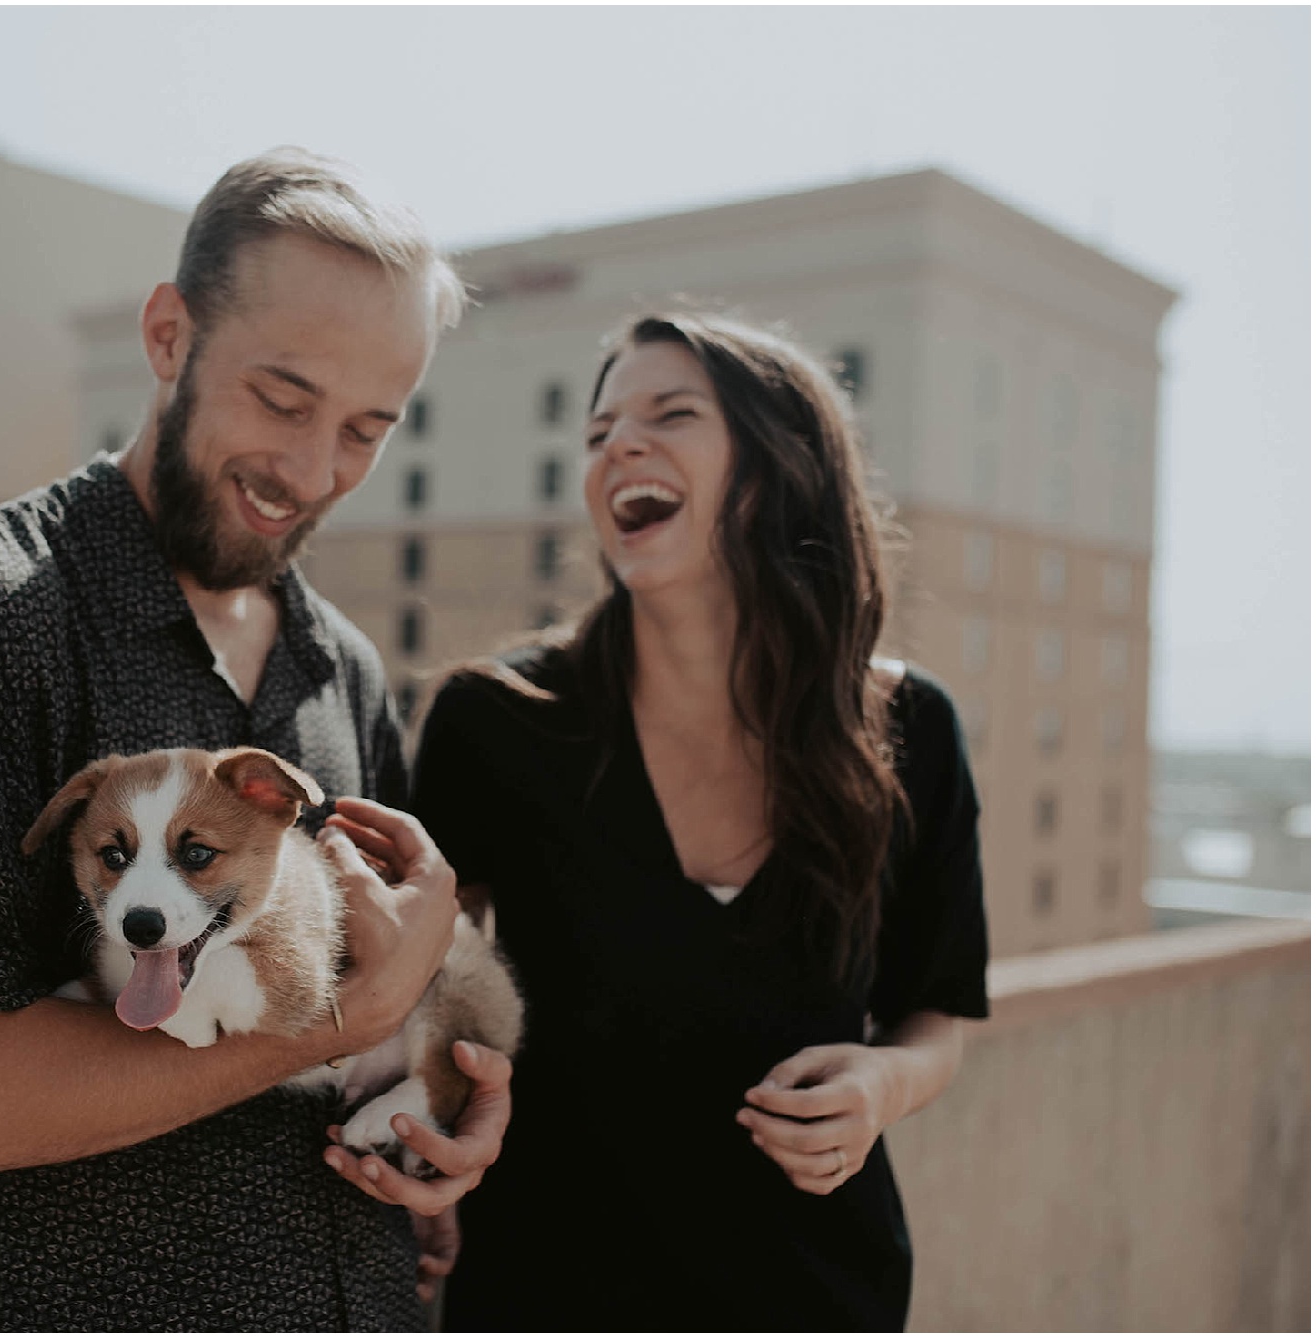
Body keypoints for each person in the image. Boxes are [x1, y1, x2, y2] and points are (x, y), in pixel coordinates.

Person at [0, 149, 513, 1332]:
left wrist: (441, 1099)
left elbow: (385, 995)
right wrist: (340, 1023)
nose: (310, 470)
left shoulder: (345, 668)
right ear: (168, 336)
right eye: (282, 401)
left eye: (364, 430)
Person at [410, 311, 991, 1331]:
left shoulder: (911, 730)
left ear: (774, 468)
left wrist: (880, 1086)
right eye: (597, 434)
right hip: (544, 1286)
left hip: (817, 1291)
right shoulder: (494, 722)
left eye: (669, 414)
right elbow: (410, 985)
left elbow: (935, 1014)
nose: (616, 448)